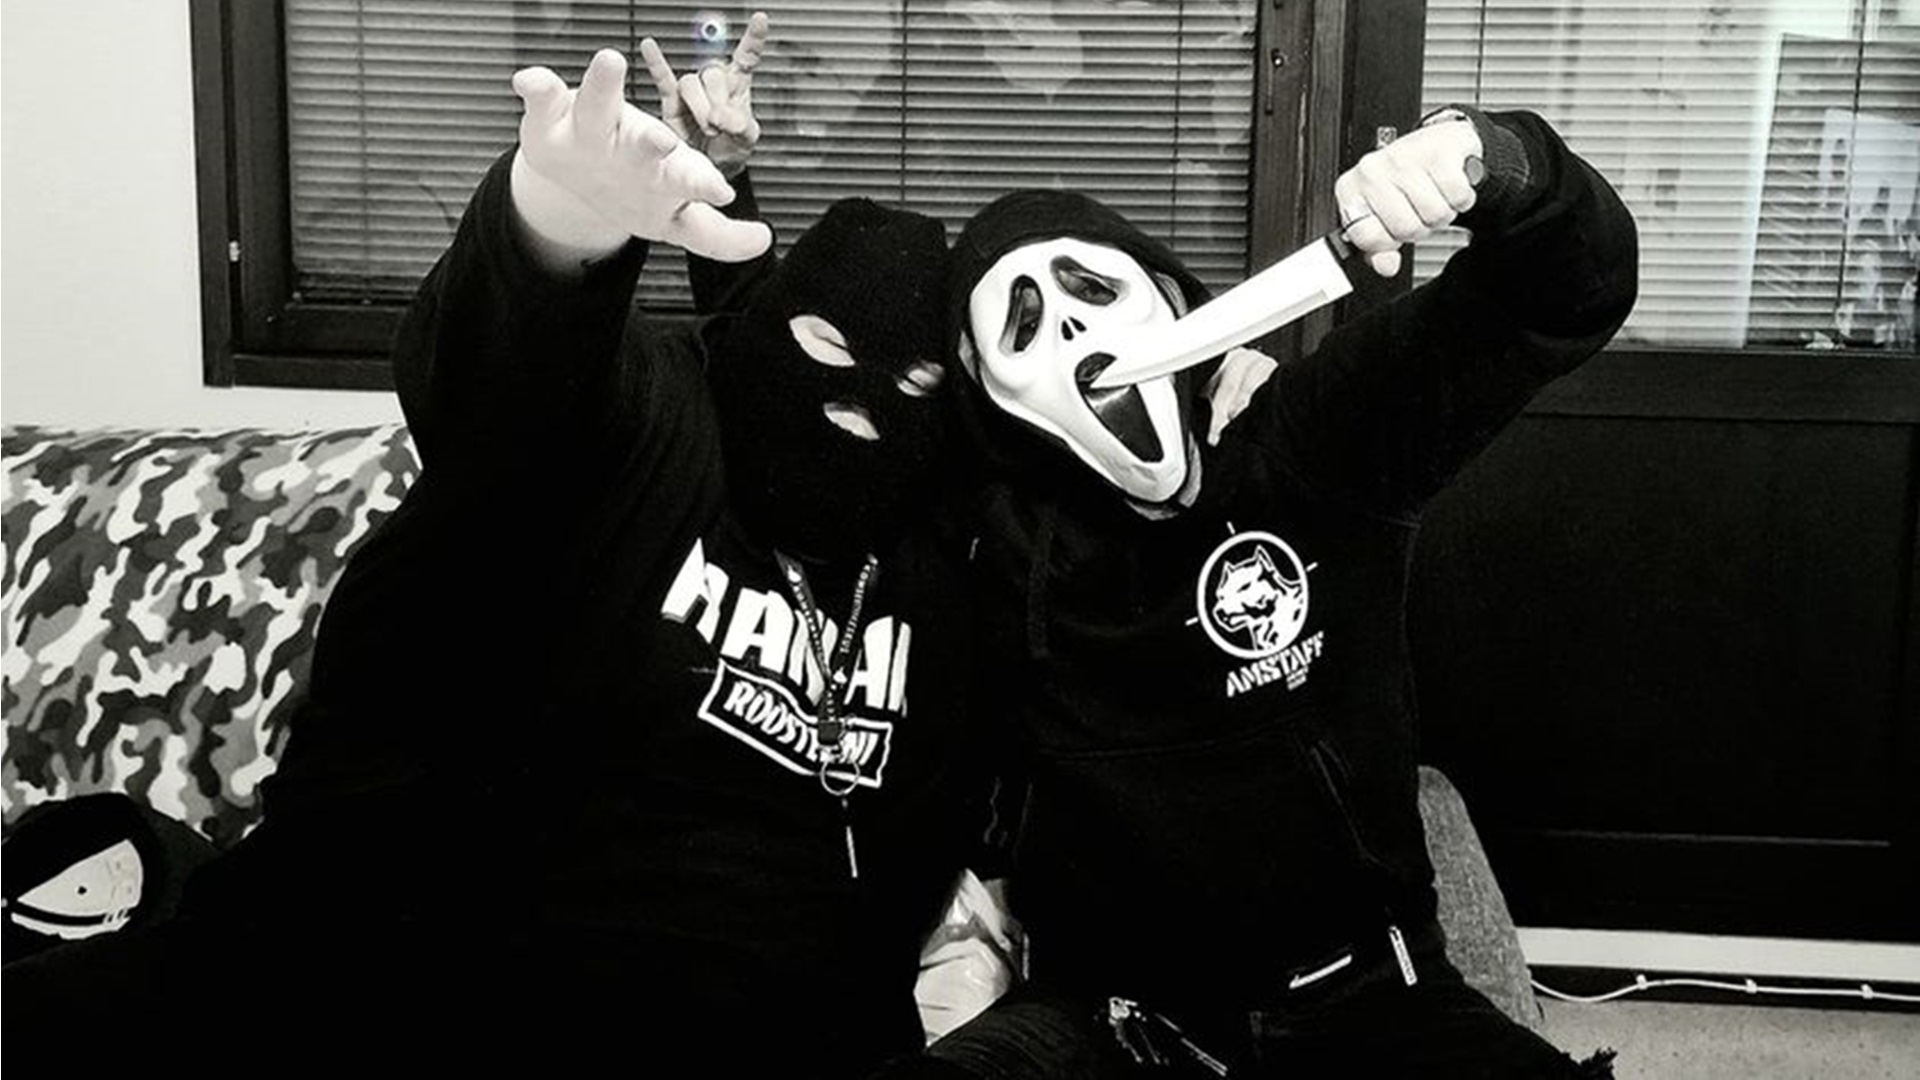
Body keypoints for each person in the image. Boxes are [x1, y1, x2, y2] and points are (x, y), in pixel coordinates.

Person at [4, 19, 990, 1073]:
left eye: (915, 389)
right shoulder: (650, 427)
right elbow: (505, 382)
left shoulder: (934, 549)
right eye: (822, 350)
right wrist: (560, 222)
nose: (859, 410)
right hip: (451, 965)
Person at [915, 104, 1638, 1076]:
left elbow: (1571, 290)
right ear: (983, 384)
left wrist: (1490, 160)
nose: (1075, 324)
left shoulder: (1313, 442)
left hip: (1366, 1002)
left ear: (1169, 296)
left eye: (1092, 286)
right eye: (1023, 323)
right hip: (1104, 1016)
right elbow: (794, 393)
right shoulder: (986, 530)